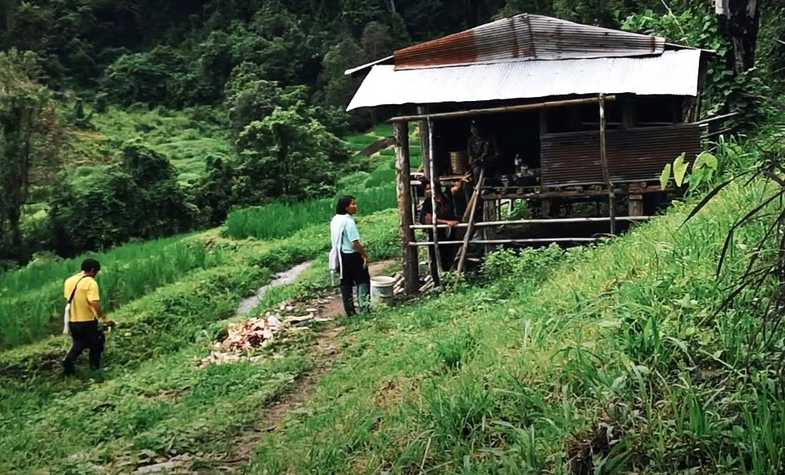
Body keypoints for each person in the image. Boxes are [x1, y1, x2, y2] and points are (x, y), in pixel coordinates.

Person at [62, 258, 115, 375]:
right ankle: (95, 369)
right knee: (98, 342)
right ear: (92, 270)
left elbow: (68, 299)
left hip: (72, 321)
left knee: (79, 343)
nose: (96, 275)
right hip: (87, 321)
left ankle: (68, 364)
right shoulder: (91, 282)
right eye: (96, 272)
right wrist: (104, 318)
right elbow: (94, 302)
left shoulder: (69, 281)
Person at [330, 196, 370, 316]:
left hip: (341, 256)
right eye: (353, 204)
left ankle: (350, 311)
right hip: (352, 256)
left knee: (345, 282)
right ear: (346, 207)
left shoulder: (335, 219)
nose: (355, 206)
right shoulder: (348, 221)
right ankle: (365, 309)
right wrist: (364, 255)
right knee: (362, 280)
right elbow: (355, 243)